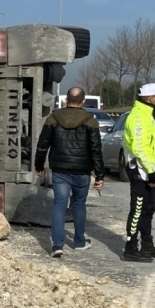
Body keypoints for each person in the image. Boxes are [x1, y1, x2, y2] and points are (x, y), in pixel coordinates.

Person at [34, 86, 106, 258]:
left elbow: (43, 145)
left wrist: (39, 166)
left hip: (60, 170)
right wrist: (100, 175)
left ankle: (57, 245)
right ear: (83, 101)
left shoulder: (53, 118)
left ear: (66, 100)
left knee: (59, 204)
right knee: (79, 205)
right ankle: (79, 242)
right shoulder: (90, 121)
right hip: (82, 171)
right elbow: (96, 150)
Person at [122, 82, 155, 262]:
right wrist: (151, 171)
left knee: (148, 208)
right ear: (150, 98)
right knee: (138, 210)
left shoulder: (147, 115)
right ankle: (130, 248)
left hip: (147, 169)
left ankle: (147, 245)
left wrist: (153, 170)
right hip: (140, 170)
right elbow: (140, 148)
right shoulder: (139, 117)